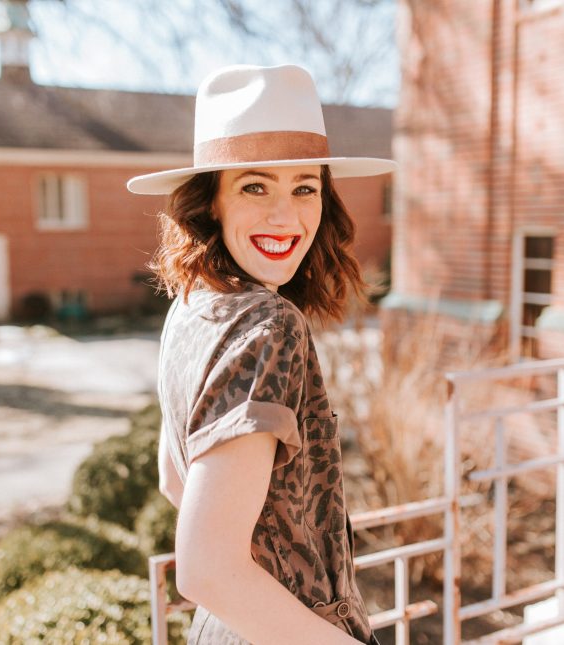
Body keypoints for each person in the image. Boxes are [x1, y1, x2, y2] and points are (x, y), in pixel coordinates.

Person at [127, 64, 395, 645]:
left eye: (305, 187)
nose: (286, 215)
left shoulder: (193, 306)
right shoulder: (269, 324)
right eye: (254, 186)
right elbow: (206, 569)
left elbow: (176, 479)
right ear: (211, 203)